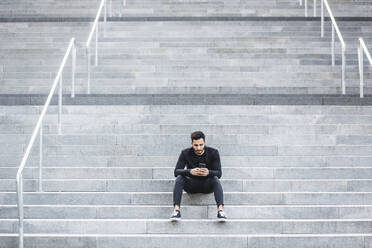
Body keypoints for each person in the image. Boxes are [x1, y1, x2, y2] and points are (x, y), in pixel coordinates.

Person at [171, 131, 227, 222]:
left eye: (201, 145)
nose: (199, 148)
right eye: (196, 145)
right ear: (191, 143)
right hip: (191, 185)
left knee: (215, 179)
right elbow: (176, 172)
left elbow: (219, 173)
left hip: (207, 185)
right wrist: (190, 171)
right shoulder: (185, 153)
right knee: (179, 178)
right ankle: (176, 211)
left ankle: (220, 211)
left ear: (204, 142)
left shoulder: (213, 152)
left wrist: (208, 172)